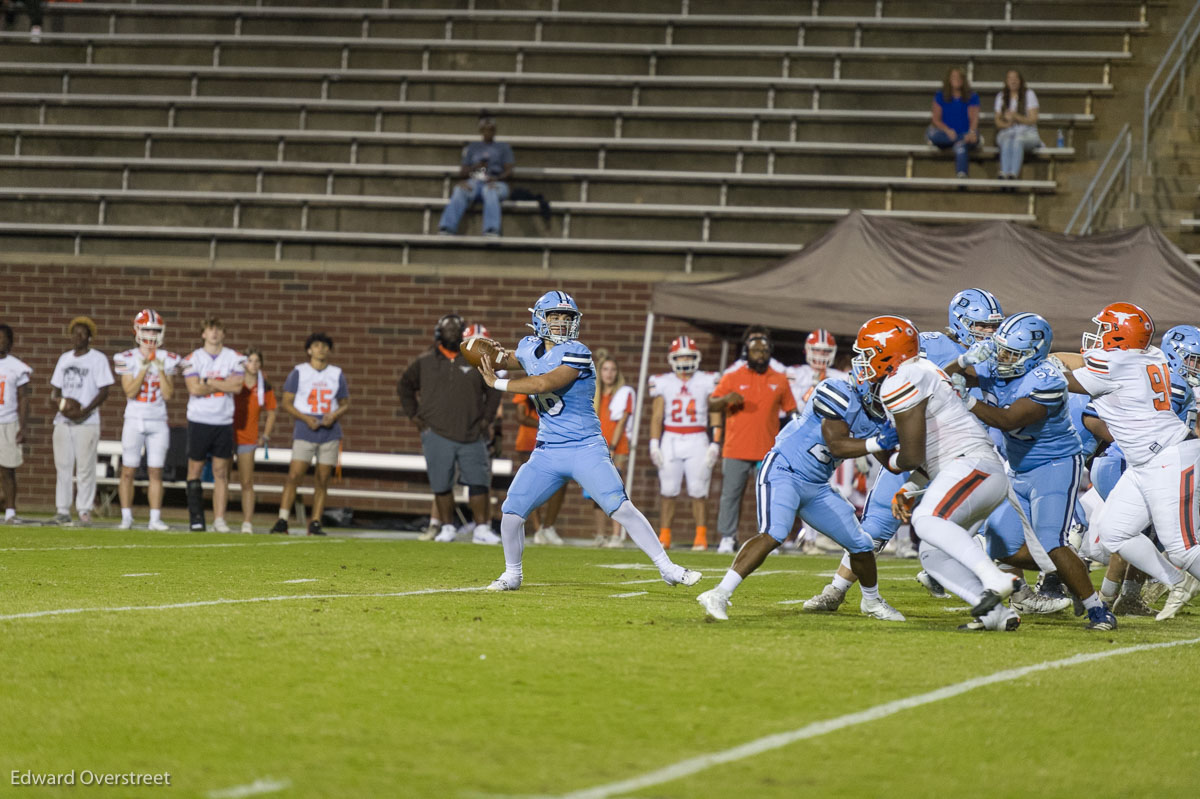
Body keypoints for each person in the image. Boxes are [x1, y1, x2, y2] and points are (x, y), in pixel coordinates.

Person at [474, 290, 700, 591]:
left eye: (567, 318)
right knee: (512, 512)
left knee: (619, 506)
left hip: (585, 447)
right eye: (555, 316)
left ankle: (667, 568)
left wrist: (496, 381)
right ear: (539, 319)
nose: (561, 323)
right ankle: (512, 574)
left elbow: (544, 383)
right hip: (548, 450)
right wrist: (492, 354)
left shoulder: (578, 352)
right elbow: (514, 358)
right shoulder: (529, 346)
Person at [803, 288, 1004, 610]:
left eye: (994, 327)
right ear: (960, 321)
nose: (989, 334)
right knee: (879, 521)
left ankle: (1009, 588)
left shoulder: (999, 355)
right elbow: (886, 369)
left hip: (961, 449)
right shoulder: (930, 345)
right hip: (913, 444)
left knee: (994, 524)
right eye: (982, 326)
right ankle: (836, 589)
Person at [945, 312, 1114, 628]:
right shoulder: (999, 363)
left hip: (1054, 465)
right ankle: (1071, 573)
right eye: (1001, 349)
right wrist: (963, 359)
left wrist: (966, 399)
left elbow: (1008, 420)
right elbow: (945, 376)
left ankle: (1097, 608)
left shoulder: (1046, 380)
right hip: (1018, 467)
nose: (1002, 357)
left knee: (1052, 540)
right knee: (1001, 545)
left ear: (1034, 354)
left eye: (1012, 352)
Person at [856, 315, 1023, 631]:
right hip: (971, 470)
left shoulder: (900, 380)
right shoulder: (922, 370)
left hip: (971, 466)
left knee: (926, 520)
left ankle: (994, 578)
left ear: (887, 351)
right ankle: (996, 615)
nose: (863, 361)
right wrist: (909, 487)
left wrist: (874, 449)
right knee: (934, 556)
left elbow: (911, 455)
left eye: (867, 352)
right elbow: (928, 456)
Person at [695, 373, 905, 623]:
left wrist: (908, 455)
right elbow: (836, 444)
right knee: (774, 533)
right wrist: (876, 443)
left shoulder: (876, 419)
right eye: (880, 386)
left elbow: (892, 465)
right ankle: (718, 593)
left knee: (861, 544)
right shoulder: (836, 391)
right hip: (785, 471)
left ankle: (871, 602)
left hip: (816, 485)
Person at [1052, 303, 1200, 621]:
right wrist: (1048, 358)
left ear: (1120, 335)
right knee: (1114, 532)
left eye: (1106, 328)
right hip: (1146, 462)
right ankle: (1175, 582)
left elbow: (1066, 381)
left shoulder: (1119, 364)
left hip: (1168, 459)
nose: (1100, 335)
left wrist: (1033, 365)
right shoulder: (1146, 356)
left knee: (1182, 548)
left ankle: (1177, 577)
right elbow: (1077, 362)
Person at [398, 313, 502, 544]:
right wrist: (415, 417)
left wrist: (486, 419)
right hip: (436, 432)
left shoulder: (474, 359)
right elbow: (404, 386)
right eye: (448, 330)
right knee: (441, 482)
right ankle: (446, 526)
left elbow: (494, 389)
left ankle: (482, 528)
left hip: (472, 432)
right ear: (439, 333)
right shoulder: (425, 361)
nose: (452, 334)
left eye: (457, 330)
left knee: (479, 481)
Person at [709, 326, 797, 554]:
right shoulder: (732, 377)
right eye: (756, 350)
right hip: (736, 448)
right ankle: (728, 537)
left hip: (768, 450)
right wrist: (727, 398)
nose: (760, 354)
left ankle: (770, 536)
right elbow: (711, 403)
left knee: (770, 497)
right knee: (730, 495)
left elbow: (792, 412)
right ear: (747, 352)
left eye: (764, 351)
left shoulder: (780, 379)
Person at [271, 333, 349, 537]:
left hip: (329, 430)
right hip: (305, 429)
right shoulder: (299, 372)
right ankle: (283, 518)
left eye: (324, 346)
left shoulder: (336, 373)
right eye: (316, 345)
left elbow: (345, 403)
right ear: (309, 350)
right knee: (294, 475)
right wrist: (305, 418)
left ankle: (315, 521)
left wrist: (334, 415)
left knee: (322, 479)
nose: (320, 349)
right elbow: (287, 402)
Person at [648, 336, 720, 551]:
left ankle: (700, 536)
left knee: (699, 490)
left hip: (698, 437)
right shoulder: (663, 382)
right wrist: (654, 443)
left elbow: (715, 410)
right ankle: (665, 535)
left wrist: (716, 442)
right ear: (672, 358)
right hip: (670, 438)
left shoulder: (707, 380)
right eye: (681, 356)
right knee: (668, 490)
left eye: (689, 355)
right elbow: (656, 416)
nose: (685, 360)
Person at [112, 309, 181, 532]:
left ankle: (154, 518)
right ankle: (126, 517)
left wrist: (159, 370)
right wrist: (143, 368)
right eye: (147, 329)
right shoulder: (126, 358)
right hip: (134, 418)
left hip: (158, 419)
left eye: (155, 330)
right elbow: (130, 392)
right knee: (128, 470)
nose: (151, 335)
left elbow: (169, 395)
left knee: (155, 470)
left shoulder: (167, 359)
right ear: (137, 330)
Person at [182, 317, 246, 532]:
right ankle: (196, 517)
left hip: (223, 420)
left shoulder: (234, 357)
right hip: (199, 419)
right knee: (195, 469)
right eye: (210, 329)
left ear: (224, 333)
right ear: (203, 333)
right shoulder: (193, 358)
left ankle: (219, 519)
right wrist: (222, 385)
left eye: (219, 329)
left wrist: (208, 382)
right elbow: (194, 389)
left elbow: (237, 387)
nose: (215, 333)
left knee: (221, 471)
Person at [49, 316, 113, 526]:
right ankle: (62, 509)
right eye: (75, 333)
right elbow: (55, 391)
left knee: (85, 467)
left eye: (82, 333)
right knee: (63, 466)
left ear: (90, 337)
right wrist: (62, 406)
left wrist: (84, 411)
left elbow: (104, 390)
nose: (78, 337)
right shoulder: (64, 359)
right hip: (63, 420)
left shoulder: (98, 359)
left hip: (87, 420)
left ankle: (84, 510)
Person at [437, 114, 515, 237]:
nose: (488, 132)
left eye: (491, 129)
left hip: (496, 180)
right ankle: (447, 227)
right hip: (475, 179)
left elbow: (509, 171)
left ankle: (491, 229)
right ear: (481, 130)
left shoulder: (503, 147)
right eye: (485, 129)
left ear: (495, 130)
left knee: (490, 190)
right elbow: (462, 172)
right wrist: (475, 167)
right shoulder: (472, 147)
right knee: (459, 189)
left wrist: (496, 178)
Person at [510, 391, 567, 544]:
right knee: (532, 484)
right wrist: (549, 424)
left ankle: (549, 526)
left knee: (560, 482)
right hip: (529, 442)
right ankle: (538, 529)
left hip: (554, 441)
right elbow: (521, 416)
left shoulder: (559, 384)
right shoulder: (528, 386)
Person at [233, 347, 277, 533]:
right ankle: (220, 520)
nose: (253, 364)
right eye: (250, 361)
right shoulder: (235, 382)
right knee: (222, 478)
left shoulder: (264, 386)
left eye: (257, 361)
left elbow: (271, 412)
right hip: (228, 434)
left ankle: (247, 522)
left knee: (247, 481)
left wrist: (265, 435)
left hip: (248, 438)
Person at [593, 351, 634, 547]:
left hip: (617, 448)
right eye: (605, 369)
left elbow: (621, 422)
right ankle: (600, 535)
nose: (609, 374)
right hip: (596, 447)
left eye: (613, 370)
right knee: (595, 492)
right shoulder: (594, 394)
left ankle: (617, 535)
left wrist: (613, 447)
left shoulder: (623, 393)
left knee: (615, 491)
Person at [0, 324, 32, 523]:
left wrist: (23, 426)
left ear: (10, 342)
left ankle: (10, 511)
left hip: (8, 422)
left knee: (7, 469)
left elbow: (24, 398)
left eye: (3, 339)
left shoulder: (17, 366)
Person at [927, 66, 981, 178]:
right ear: (949, 79)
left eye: (959, 77)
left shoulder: (972, 96)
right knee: (932, 134)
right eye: (954, 77)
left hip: (965, 131)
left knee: (961, 147)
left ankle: (962, 175)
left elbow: (974, 118)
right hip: (946, 133)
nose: (957, 79)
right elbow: (935, 119)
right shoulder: (940, 95)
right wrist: (947, 130)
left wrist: (971, 132)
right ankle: (965, 139)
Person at [994, 69, 1042, 180]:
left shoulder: (1029, 94)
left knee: (1017, 140)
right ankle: (1004, 172)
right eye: (1010, 78)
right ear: (1006, 81)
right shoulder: (1001, 96)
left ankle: (1013, 174)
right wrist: (1007, 124)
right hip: (1008, 131)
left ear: (1020, 81)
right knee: (1006, 139)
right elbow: (997, 121)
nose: (1013, 81)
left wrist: (1016, 116)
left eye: (1015, 78)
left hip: (1028, 133)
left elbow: (1033, 119)